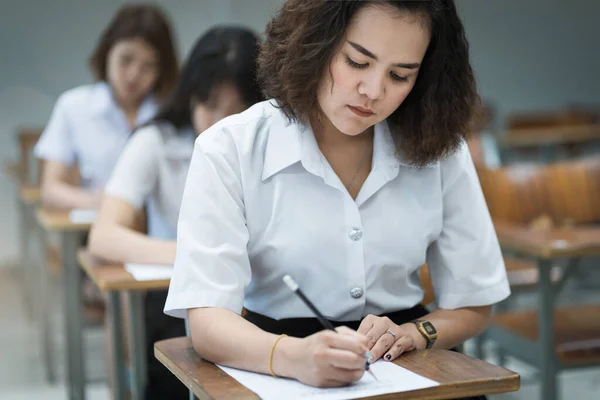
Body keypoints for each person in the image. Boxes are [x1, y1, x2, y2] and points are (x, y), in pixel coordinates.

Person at [165, 1, 510, 397]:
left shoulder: (438, 151)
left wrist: (416, 333)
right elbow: (207, 321)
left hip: (403, 356)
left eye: (400, 75)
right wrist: (293, 356)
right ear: (315, 43)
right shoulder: (230, 149)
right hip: (271, 353)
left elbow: (475, 302)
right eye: (357, 62)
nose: (373, 92)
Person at [89, 26, 263, 400]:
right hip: (179, 295)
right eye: (210, 105)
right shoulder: (156, 140)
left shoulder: (270, 144)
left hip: (261, 293)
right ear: (190, 96)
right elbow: (104, 236)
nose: (221, 122)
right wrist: (197, 253)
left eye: (237, 110)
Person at [34, 3, 179, 210]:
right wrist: (107, 201)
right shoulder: (74, 106)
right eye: (126, 60)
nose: (134, 75)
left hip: (159, 229)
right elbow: (50, 191)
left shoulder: (171, 112)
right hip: (95, 222)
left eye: (148, 66)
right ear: (107, 52)